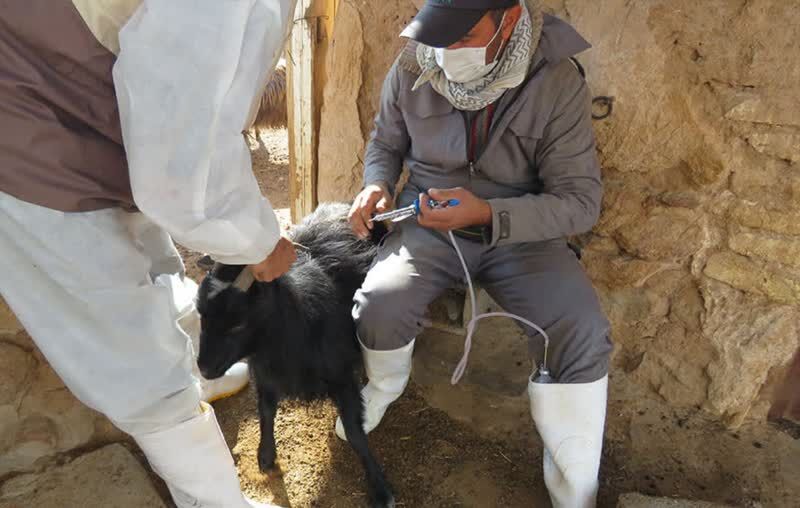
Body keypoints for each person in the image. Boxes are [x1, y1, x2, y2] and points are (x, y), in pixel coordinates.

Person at [0, 1, 298, 506]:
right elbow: (182, 170)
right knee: (130, 354)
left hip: (75, 104)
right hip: (31, 147)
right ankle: (213, 498)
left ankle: (193, 371)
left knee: (154, 260)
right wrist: (258, 243)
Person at [344, 0, 613, 506]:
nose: (445, 51)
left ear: (508, 20)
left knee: (581, 329)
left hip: (522, 234)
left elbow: (580, 204)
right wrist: (376, 185)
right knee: (379, 305)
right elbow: (385, 141)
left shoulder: (555, 80)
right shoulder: (412, 63)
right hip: (428, 223)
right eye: (437, 34)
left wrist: (488, 214)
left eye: (463, 36)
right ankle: (382, 388)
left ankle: (575, 489)